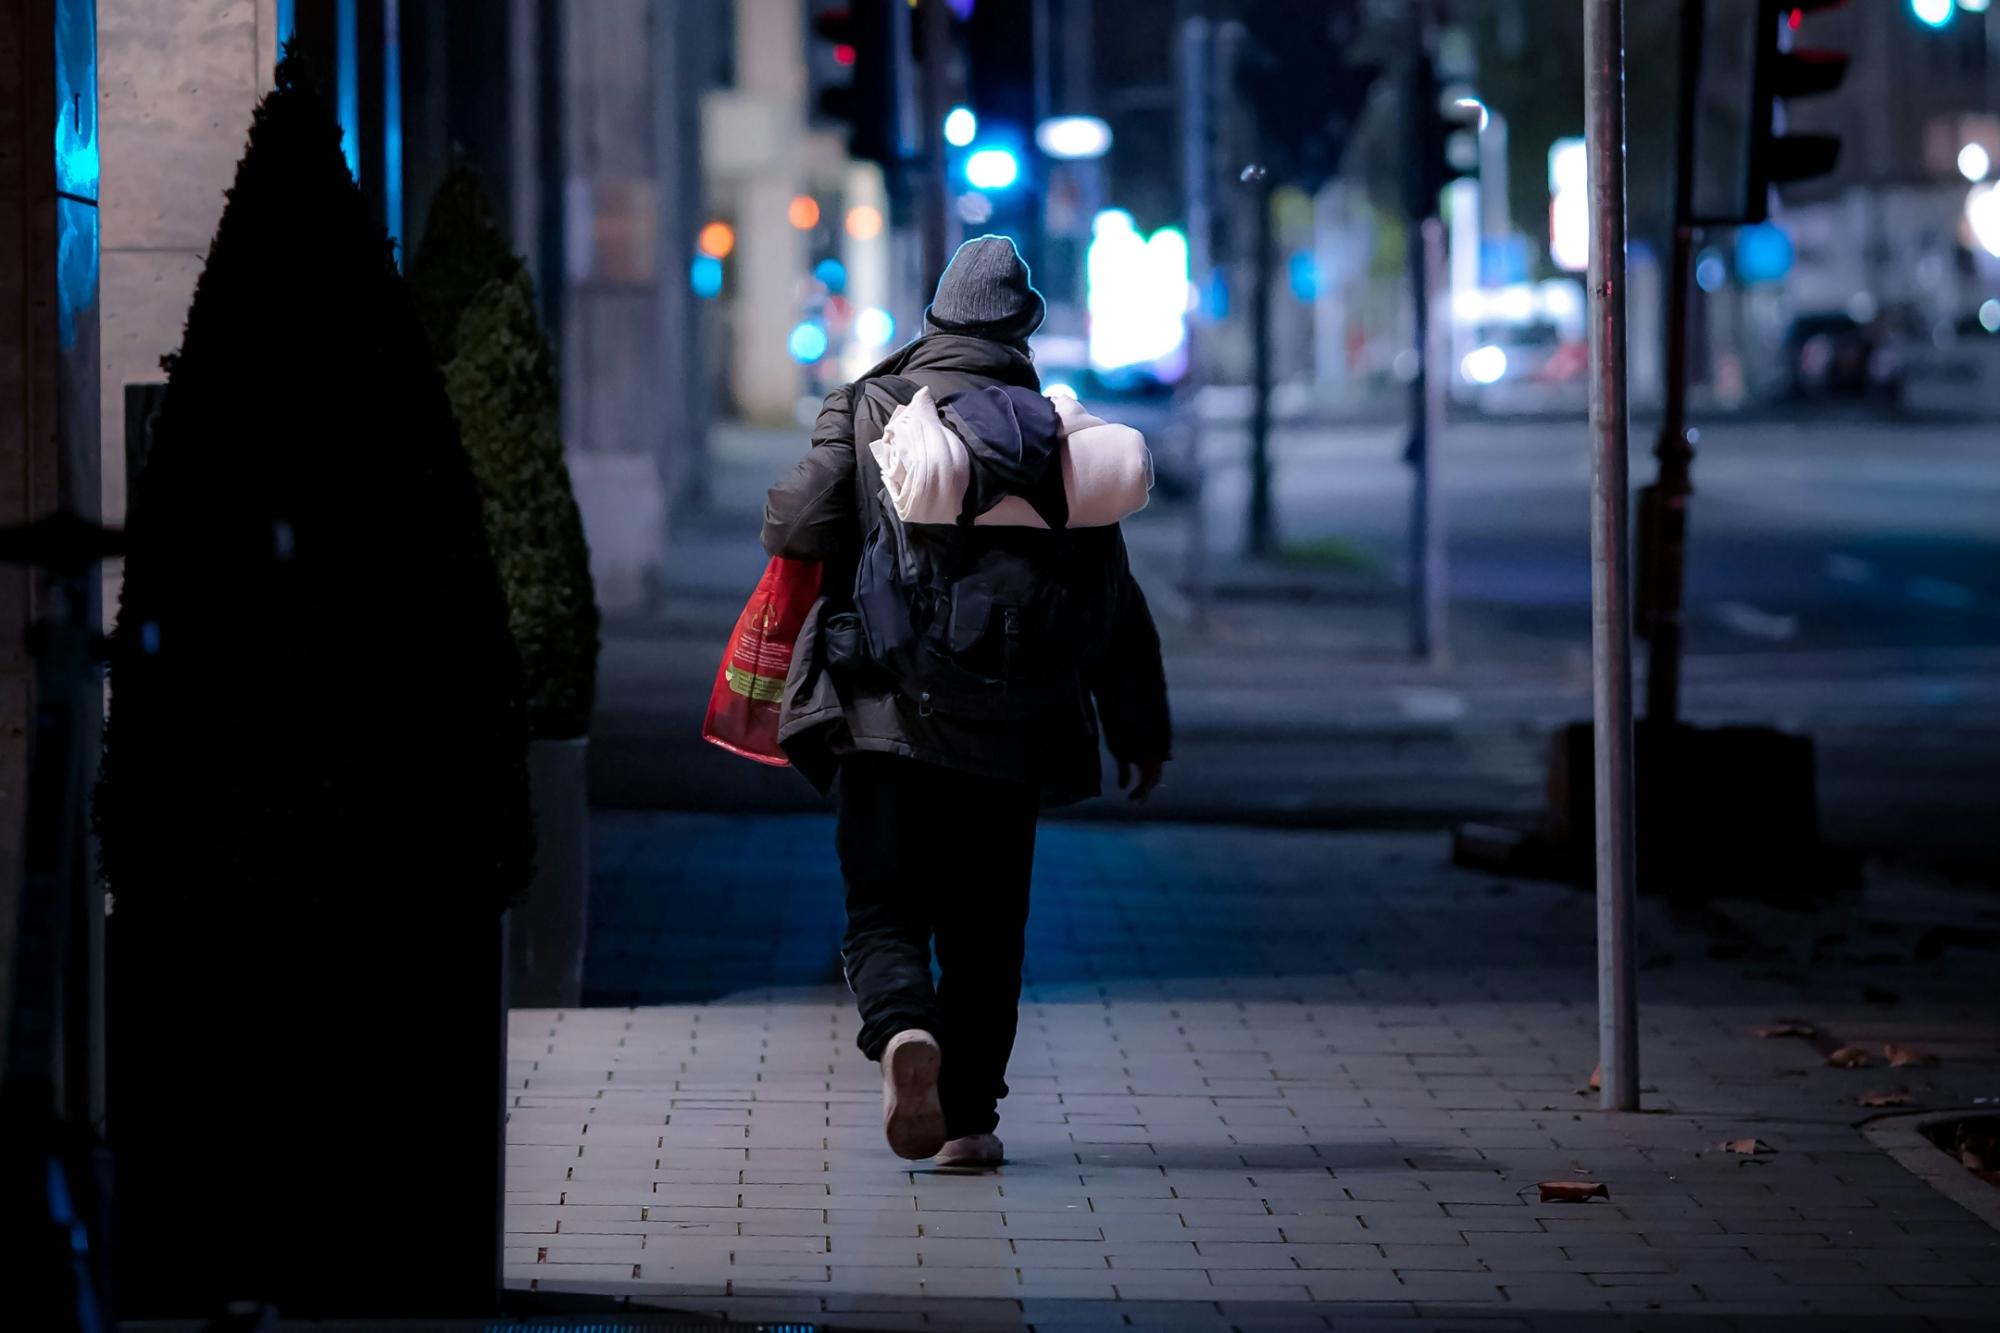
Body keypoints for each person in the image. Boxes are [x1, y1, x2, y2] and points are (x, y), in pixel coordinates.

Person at [761, 235, 1171, 1169]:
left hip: (885, 709)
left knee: (885, 899)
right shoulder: (1060, 438)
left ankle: (905, 1027)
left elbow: (794, 519)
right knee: (991, 923)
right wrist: (1140, 729)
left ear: (934, 320)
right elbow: (1115, 598)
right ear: (1024, 328)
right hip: (1017, 724)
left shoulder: (874, 406)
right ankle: (970, 1119)